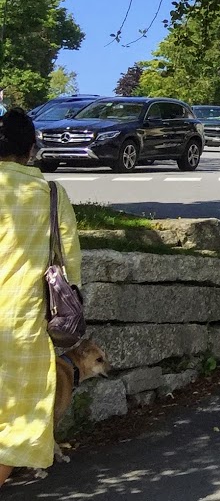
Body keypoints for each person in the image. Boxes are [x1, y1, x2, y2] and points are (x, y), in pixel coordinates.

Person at [0, 108, 81, 488]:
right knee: (16, 422)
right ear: (32, 149)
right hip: (25, 328)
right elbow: (70, 267)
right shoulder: (51, 194)